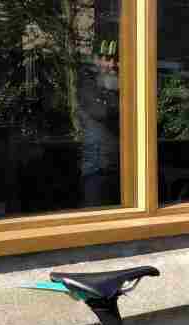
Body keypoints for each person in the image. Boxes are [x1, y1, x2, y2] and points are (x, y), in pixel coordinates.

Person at [78, 45, 121, 208]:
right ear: (96, 60)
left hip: (114, 163)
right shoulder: (87, 84)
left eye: (114, 60)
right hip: (96, 166)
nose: (111, 65)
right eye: (107, 60)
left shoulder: (110, 85)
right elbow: (101, 112)